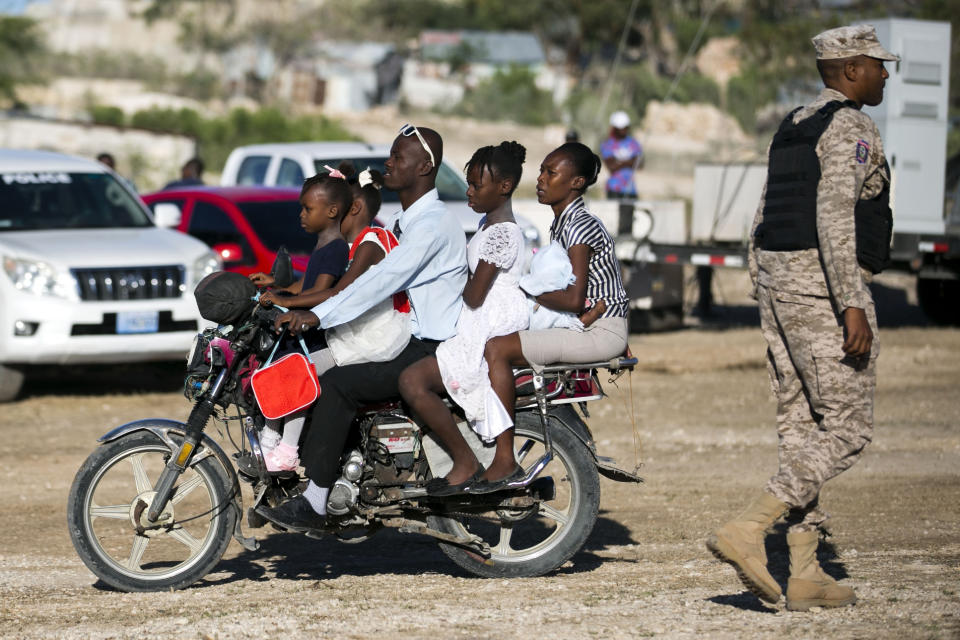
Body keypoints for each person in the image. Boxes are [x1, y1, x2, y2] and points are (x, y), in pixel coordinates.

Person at [705, 24, 897, 612]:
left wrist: (761, 286)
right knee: (847, 427)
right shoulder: (851, 127)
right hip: (819, 287)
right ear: (849, 71)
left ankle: (807, 572)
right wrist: (851, 303)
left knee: (801, 425)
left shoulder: (792, 125)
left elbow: (762, 213)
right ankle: (748, 526)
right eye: (876, 64)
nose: (885, 74)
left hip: (777, 283)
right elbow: (835, 215)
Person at [256, 124, 468, 533]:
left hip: (428, 346)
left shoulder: (431, 226)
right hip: (407, 336)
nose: (388, 164)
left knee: (338, 384)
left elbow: (379, 282)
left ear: (425, 167)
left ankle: (316, 502)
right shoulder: (406, 222)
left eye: (398, 159)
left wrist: (319, 314)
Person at [482, 142, 630, 486]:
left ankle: (504, 459)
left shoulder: (578, 225)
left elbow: (575, 298)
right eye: (541, 171)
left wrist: (525, 286)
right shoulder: (564, 223)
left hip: (597, 331)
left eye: (551, 173)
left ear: (576, 183)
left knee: (497, 349)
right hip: (596, 326)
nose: (540, 179)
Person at [397, 141, 529, 495]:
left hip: (487, 320)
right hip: (479, 316)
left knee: (413, 382)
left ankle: (470, 459)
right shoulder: (489, 223)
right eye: (468, 183)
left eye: (476, 185)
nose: (468, 191)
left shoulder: (502, 232)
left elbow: (474, 293)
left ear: (504, 187)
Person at [248, 170, 351, 471]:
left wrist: (286, 302)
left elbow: (321, 293)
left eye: (308, 209)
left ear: (332, 211)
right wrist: (275, 287)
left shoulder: (336, 248)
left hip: (316, 342)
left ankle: (287, 451)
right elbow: (304, 284)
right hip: (303, 338)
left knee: (294, 386)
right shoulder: (323, 245)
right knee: (276, 374)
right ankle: (269, 439)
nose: (302, 215)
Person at [600, 111, 642, 200]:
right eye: (621, 127)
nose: (624, 130)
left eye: (626, 127)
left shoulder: (633, 143)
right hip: (614, 189)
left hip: (631, 190)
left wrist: (620, 162)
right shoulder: (607, 144)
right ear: (614, 128)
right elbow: (611, 166)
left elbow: (640, 164)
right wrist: (630, 161)